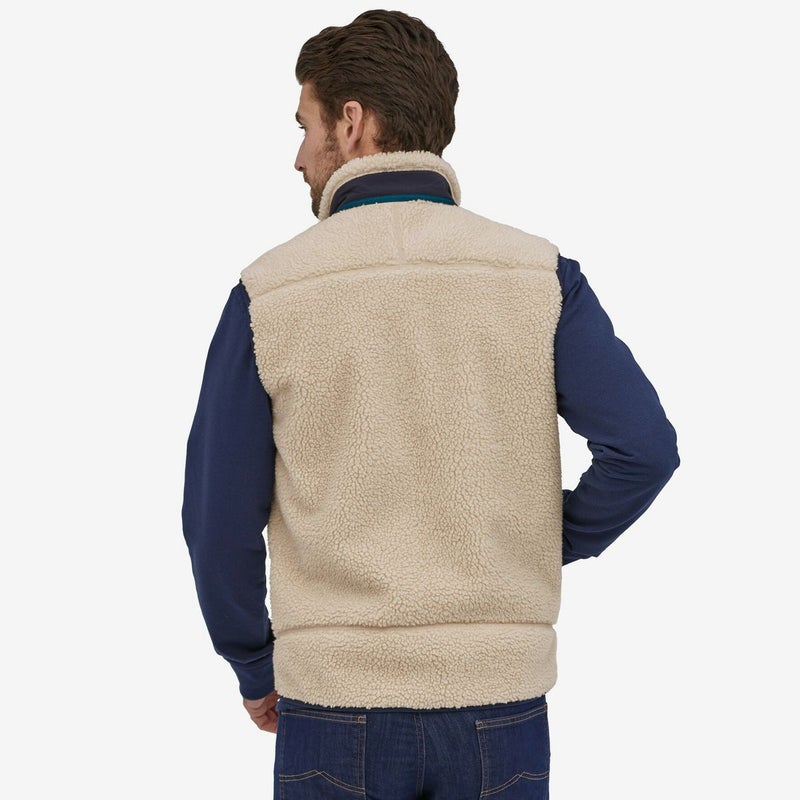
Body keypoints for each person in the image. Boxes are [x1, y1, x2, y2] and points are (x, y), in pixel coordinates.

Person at [182, 9, 679, 798]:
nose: (298, 157)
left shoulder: (268, 293)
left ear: (353, 123)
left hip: (333, 704)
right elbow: (644, 449)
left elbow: (217, 519)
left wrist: (252, 662)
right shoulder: (537, 276)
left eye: (305, 126)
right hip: (498, 703)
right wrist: (532, 543)